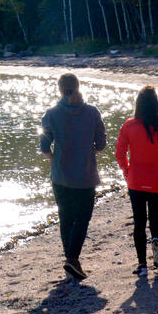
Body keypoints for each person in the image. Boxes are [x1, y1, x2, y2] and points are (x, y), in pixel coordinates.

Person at [40, 72, 107, 280]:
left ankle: (71, 259)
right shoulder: (92, 112)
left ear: (59, 89)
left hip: (60, 175)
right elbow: (101, 144)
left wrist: (54, 159)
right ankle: (72, 259)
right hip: (85, 175)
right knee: (82, 218)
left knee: (65, 217)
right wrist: (88, 151)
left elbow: (44, 146)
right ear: (79, 86)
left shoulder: (51, 114)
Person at [114, 84, 158, 276]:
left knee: (139, 222)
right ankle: (156, 239)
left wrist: (126, 171)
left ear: (138, 104)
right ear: (156, 104)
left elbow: (119, 153)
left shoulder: (129, 125)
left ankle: (142, 265)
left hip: (136, 180)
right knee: (155, 217)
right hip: (157, 179)